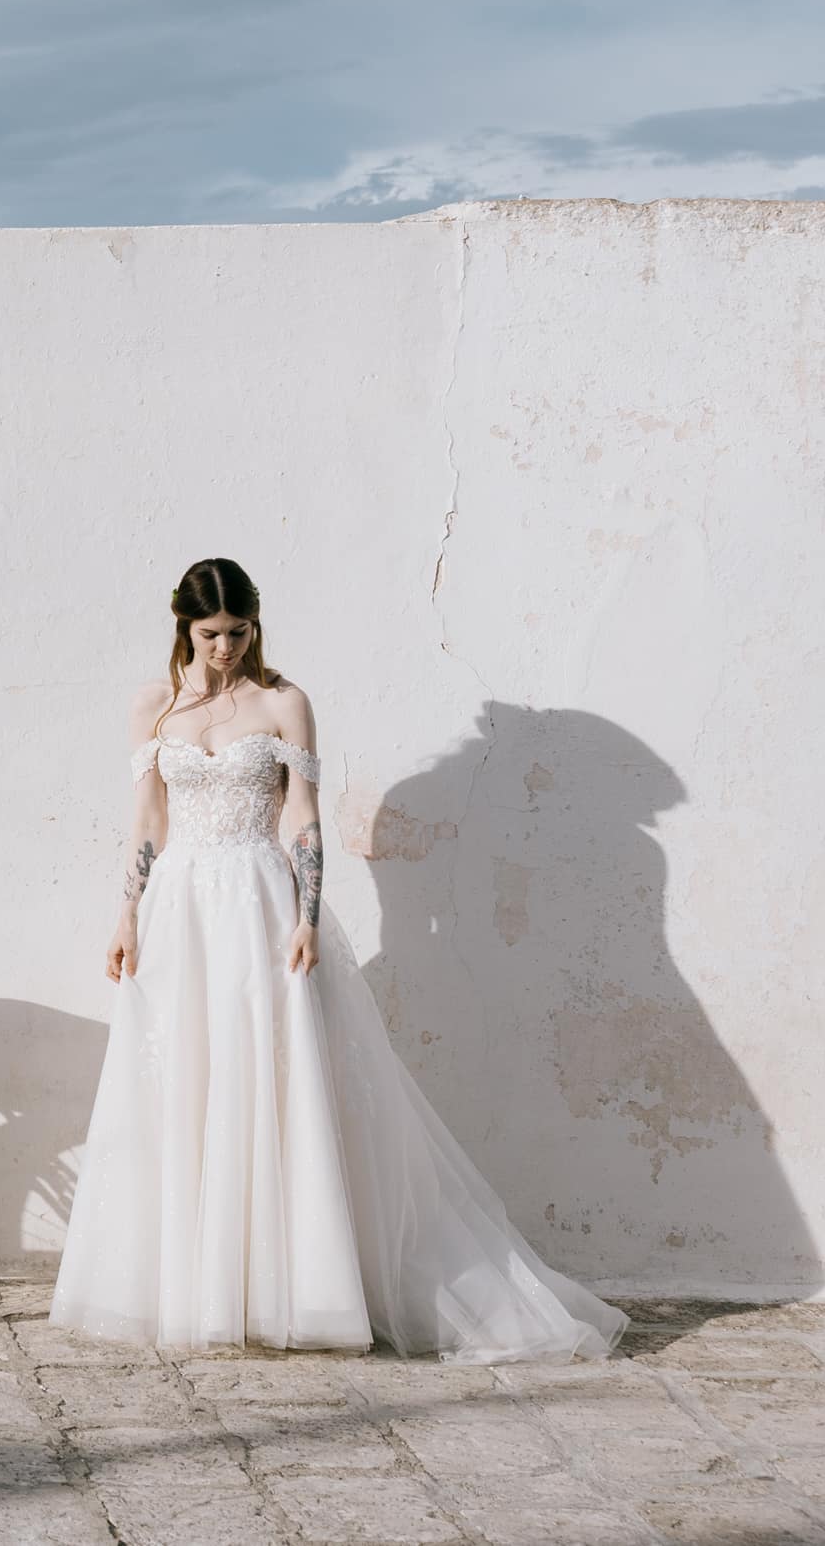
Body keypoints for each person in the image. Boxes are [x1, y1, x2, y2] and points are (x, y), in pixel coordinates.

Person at [47, 558, 625, 1363]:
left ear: (256, 623)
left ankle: (295, 1287)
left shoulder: (285, 703)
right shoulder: (153, 706)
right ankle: (201, 1289)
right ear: (183, 625)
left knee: (273, 1086)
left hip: (258, 899)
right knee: (186, 1078)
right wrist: (127, 913)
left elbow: (304, 819)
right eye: (209, 634)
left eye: (238, 632)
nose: (224, 649)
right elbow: (147, 822)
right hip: (180, 907)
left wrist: (307, 917)